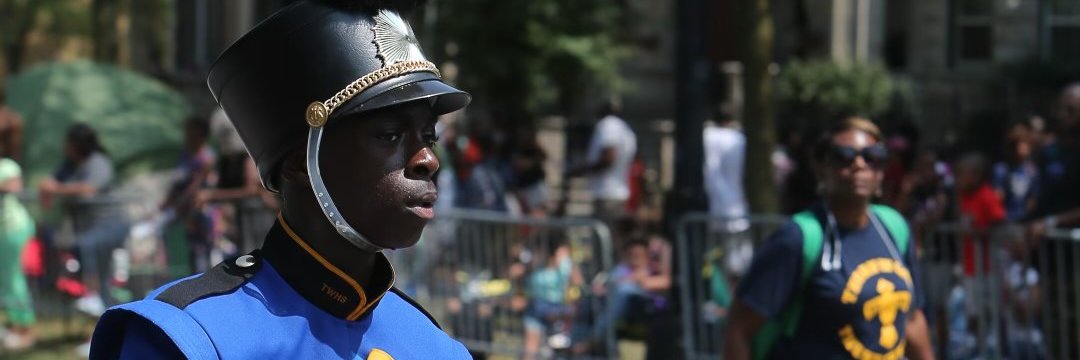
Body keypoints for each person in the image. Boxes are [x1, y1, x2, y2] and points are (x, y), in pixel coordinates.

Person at [89, 0, 473, 358]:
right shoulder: (188, 338)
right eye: (390, 135)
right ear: (298, 164)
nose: (428, 160)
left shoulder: (434, 346)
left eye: (429, 136)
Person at [723, 117, 934, 360]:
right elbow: (739, 329)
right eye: (844, 156)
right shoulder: (798, 238)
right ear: (821, 168)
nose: (858, 164)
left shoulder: (894, 227)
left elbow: (912, 319)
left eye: (871, 156)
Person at [40, 124, 128, 312]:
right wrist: (49, 190)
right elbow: (48, 184)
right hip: (87, 227)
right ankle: (101, 309)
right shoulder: (69, 165)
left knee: (88, 245)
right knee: (81, 250)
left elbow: (89, 189)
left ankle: (93, 296)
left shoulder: (99, 162)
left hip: (110, 226)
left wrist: (57, 190)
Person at [161, 116, 218, 273]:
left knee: (203, 252)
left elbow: (197, 184)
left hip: (201, 210)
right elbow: (178, 181)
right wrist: (168, 201)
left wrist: (180, 203)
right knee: (190, 251)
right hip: (186, 212)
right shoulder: (184, 156)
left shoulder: (207, 157)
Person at [0, 113, 36, 350]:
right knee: (6, 279)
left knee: (15, 279)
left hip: (15, 228)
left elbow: (15, 185)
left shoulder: (9, 165)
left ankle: (27, 328)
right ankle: (14, 325)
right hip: (3, 230)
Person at [569, 99, 638, 221]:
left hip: (606, 194)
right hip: (617, 193)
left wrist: (581, 170)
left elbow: (609, 158)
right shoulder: (625, 128)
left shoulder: (608, 126)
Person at [993, 121, 1040, 222]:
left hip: (1025, 222)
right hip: (1005, 221)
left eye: (1023, 143)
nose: (1020, 148)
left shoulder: (1032, 171)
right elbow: (997, 197)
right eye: (1016, 144)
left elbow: (1033, 198)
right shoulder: (1001, 170)